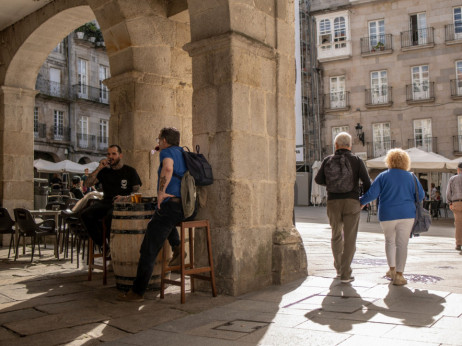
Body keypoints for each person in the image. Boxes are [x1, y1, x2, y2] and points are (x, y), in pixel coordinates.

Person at [119, 127, 186, 302]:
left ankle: (137, 292)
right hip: (182, 207)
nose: (158, 142)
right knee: (162, 220)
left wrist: (161, 192)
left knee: (147, 249)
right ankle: (178, 248)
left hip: (169, 204)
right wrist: (160, 149)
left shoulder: (167, 154)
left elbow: (168, 169)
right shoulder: (181, 152)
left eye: (159, 140)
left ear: (164, 140)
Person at [360, 148, 425, 286]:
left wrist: (360, 202)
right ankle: (400, 276)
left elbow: (371, 194)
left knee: (389, 241)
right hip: (407, 214)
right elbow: (422, 195)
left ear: (389, 160)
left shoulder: (383, 176)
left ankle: (392, 270)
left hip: (387, 214)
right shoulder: (411, 177)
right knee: (402, 244)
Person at [315, 132, 371, 283]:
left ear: (336, 145)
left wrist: (333, 183)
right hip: (352, 202)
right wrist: (363, 201)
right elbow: (367, 183)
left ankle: (339, 269)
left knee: (336, 235)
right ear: (350, 146)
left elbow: (318, 179)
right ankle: (346, 273)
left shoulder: (328, 160)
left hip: (333, 202)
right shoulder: (357, 161)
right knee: (350, 238)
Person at [81, 145, 142, 249]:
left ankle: (114, 247)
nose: (110, 156)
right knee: (85, 214)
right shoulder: (104, 171)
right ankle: (103, 244)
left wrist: (124, 198)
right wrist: (99, 168)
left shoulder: (130, 171)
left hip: (122, 204)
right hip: (106, 202)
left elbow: (137, 192)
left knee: (111, 217)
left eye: (114, 154)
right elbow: (87, 184)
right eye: (108, 154)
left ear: (120, 155)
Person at [446, 162, 462, 251]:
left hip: (457, 203)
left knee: (458, 224)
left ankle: (459, 244)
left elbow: (448, 192)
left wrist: (450, 202)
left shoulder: (453, 178)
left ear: (458, 170)